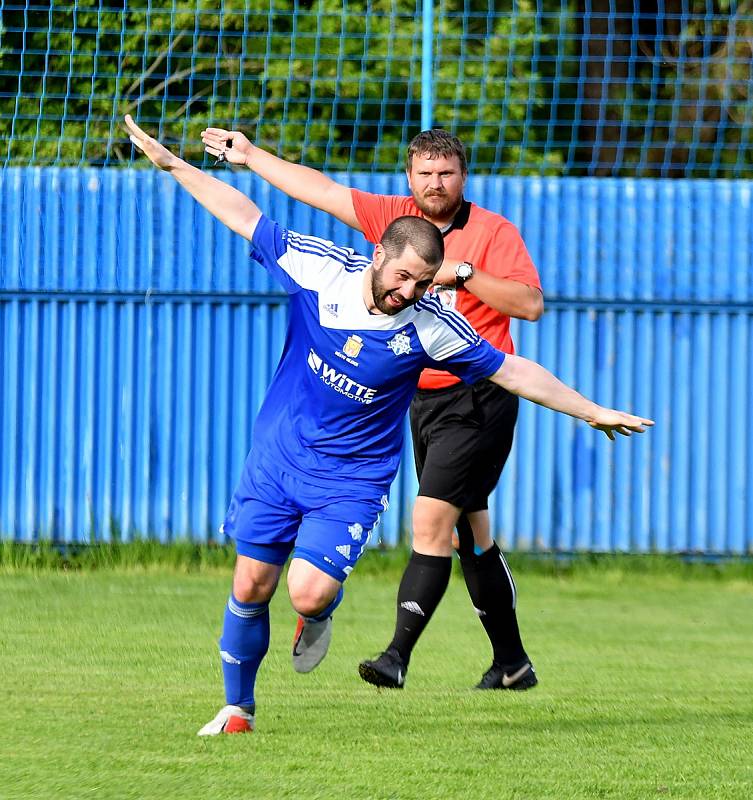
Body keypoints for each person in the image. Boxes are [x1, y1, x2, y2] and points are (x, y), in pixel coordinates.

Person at [125, 113, 651, 736]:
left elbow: (512, 369)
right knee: (250, 582)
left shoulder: (435, 321)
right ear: (378, 253)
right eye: (402, 276)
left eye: (424, 282)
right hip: (278, 456)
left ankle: (344, 626)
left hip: (353, 475)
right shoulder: (322, 271)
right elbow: (247, 212)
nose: (410, 291)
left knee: (308, 593)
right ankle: (238, 709)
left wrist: (592, 411)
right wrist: (177, 166)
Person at [199, 126, 545, 690]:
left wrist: (464, 274)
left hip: (478, 398)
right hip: (416, 400)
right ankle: (512, 662)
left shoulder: (490, 232)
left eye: (446, 173)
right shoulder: (396, 223)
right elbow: (323, 192)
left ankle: (395, 658)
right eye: (425, 173)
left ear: (464, 177)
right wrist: (252, 155)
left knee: (430, 520)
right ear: (410, 177)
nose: (435, 183)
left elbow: (529, 304)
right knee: (472, 536)